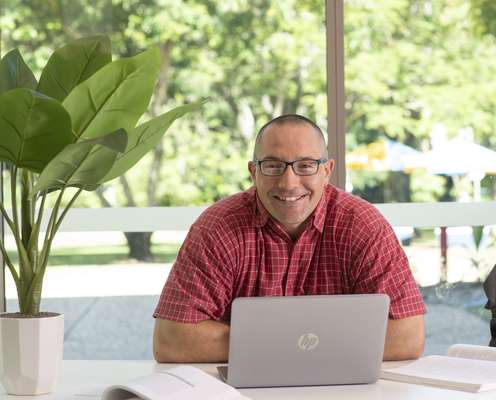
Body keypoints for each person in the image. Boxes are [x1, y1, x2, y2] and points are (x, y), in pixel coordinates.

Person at [153, 114, 425, 363]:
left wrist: (267, 345)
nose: (289, 183)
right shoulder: (218, 228)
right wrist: (312, 345)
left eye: (305, 166)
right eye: (273, 166)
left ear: (327, 171)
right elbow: (172, 340)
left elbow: (407, 337)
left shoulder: (363, 226)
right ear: (253, 171)